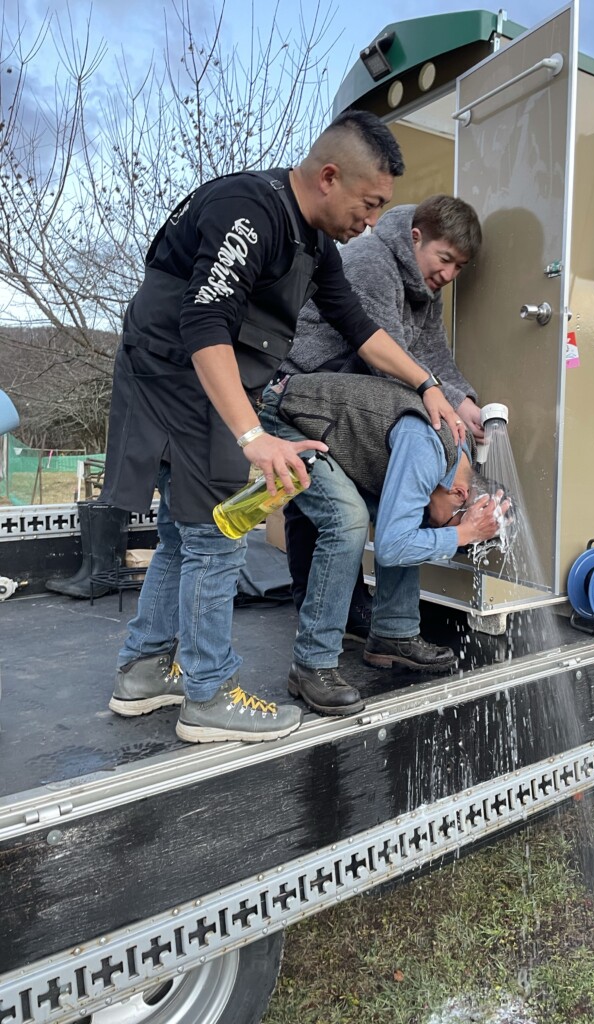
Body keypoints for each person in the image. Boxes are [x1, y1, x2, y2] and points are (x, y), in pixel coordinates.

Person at [101, 110, 466, 744]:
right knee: (219, 531)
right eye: (370, 204)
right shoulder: (249, 211)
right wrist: (255, 437)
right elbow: (205, 323)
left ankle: (143, 669)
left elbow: (359, 327)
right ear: (330, 177)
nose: (372, 222)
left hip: (199, 379)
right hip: (179, 373)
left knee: (183, 535)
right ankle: (209, 695)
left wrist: (427, 384)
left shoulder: (315, 243)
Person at [279, 194, 485, 616]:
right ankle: (322, 609)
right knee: (326, 508)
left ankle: (376, 620)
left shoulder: (426, 287)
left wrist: (464, 402)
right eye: (445, 259)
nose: (449, 274)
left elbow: (431, 354)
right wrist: (443, 404)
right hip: (308, 391)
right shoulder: (370, 263)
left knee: (361, 504)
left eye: (460, 267)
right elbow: (388, 360)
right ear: (416, 238)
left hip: (358, 395)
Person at [264, 371, 508, 717]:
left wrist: (461, 531)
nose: (446, 530)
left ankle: (393, 633)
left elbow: (413, 526)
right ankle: (311, 663)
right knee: (348, 520)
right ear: (459, 494)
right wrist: (462, 534)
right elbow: (393, 547)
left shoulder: (456, 458)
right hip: (290, 418)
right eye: (455, 520)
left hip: (337, 435)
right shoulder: (428, 453)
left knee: (409, 514)